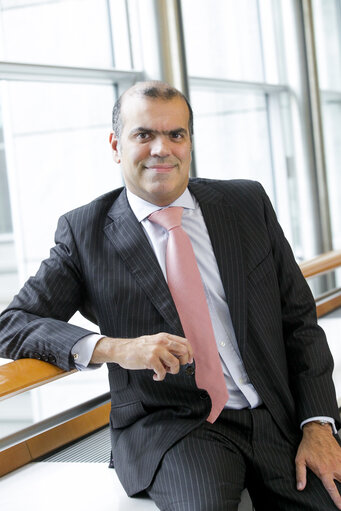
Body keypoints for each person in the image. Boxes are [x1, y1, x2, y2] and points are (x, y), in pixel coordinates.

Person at [1, 80, 341, 511]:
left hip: (275, 413)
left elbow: (299, 322)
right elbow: (13, 323)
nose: (162, 148)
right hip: (177, 429)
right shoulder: (85, 232)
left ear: (189, 144)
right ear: (116, 145)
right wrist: (116, 349)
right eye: (144, 135)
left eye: (175, 135)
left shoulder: (246, 204)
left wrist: (318, 426)